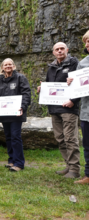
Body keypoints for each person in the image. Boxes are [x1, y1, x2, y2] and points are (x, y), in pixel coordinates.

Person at [37, 42, 81, 178]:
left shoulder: (74, 64)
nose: (60, 51)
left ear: (67, 50)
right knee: (60, 138)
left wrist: (73, 101)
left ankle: (75, 169)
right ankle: (68, 166)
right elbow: (49, 85)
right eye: (57, 49)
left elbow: (82, 84)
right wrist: (41, 90)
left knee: (70, 138)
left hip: (68, 108)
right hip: (54, 108)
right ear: (53, 52)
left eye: (62, 49)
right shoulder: (51, 67)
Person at [0, 58, 31, 172]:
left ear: (14, 66)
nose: (8, 66)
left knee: (15, 137)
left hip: (16, 114)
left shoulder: (20, 78)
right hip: (4, 114)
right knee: (8, 137)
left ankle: (19, 163)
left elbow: (26, 93)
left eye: (10, 64)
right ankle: (11, 160)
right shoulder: (0, 81)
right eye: (5, 65)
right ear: (2, 67)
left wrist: (22, 107)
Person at [67, 30, 89, 183]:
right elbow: (78, 88)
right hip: (87, 112)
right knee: (87, 145)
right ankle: (88, 175)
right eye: (86, 42)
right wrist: (72, 83)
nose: (87, 44)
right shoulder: (83, 63)